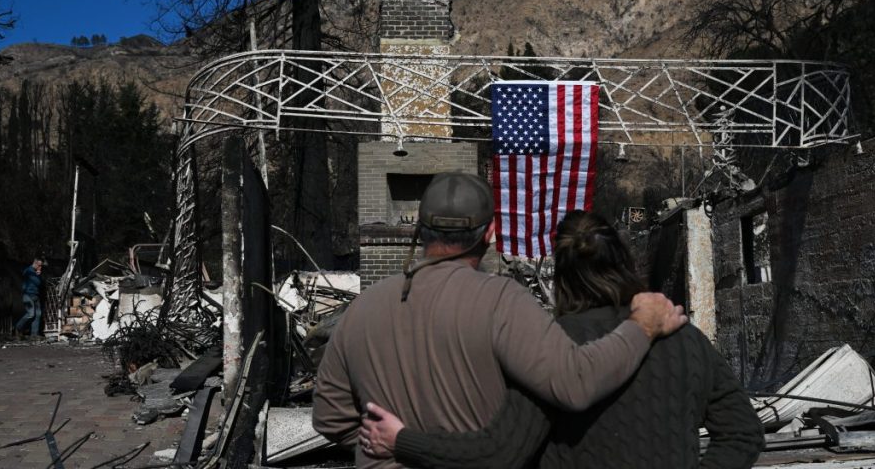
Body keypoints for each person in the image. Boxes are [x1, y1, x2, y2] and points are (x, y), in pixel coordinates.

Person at [313, 173, 688, 469]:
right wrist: (642, 326)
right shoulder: (501, 301)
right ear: (489, 234)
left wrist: (391, 445)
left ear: (420, 231)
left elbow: (330, 418)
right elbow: (576, 383)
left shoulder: (361, 310)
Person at [359, 210, 765, 469]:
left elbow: (499, 453)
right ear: (624, 262)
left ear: (564, 277)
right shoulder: (685, 338)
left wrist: (402, 440)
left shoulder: (552, 346)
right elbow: (744, 432)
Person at [14, 257, 43, 339]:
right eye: (39, 265)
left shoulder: (34, 272)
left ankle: (34, 334)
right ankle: (18, 327)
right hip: (28, 295)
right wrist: (38, 276)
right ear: (35, 263)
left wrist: (38, 275)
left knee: (37, 315)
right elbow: (37, 282)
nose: (40, 267)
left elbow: (39, 283)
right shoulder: (29, 271)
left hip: (35, 295)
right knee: (31, 314)